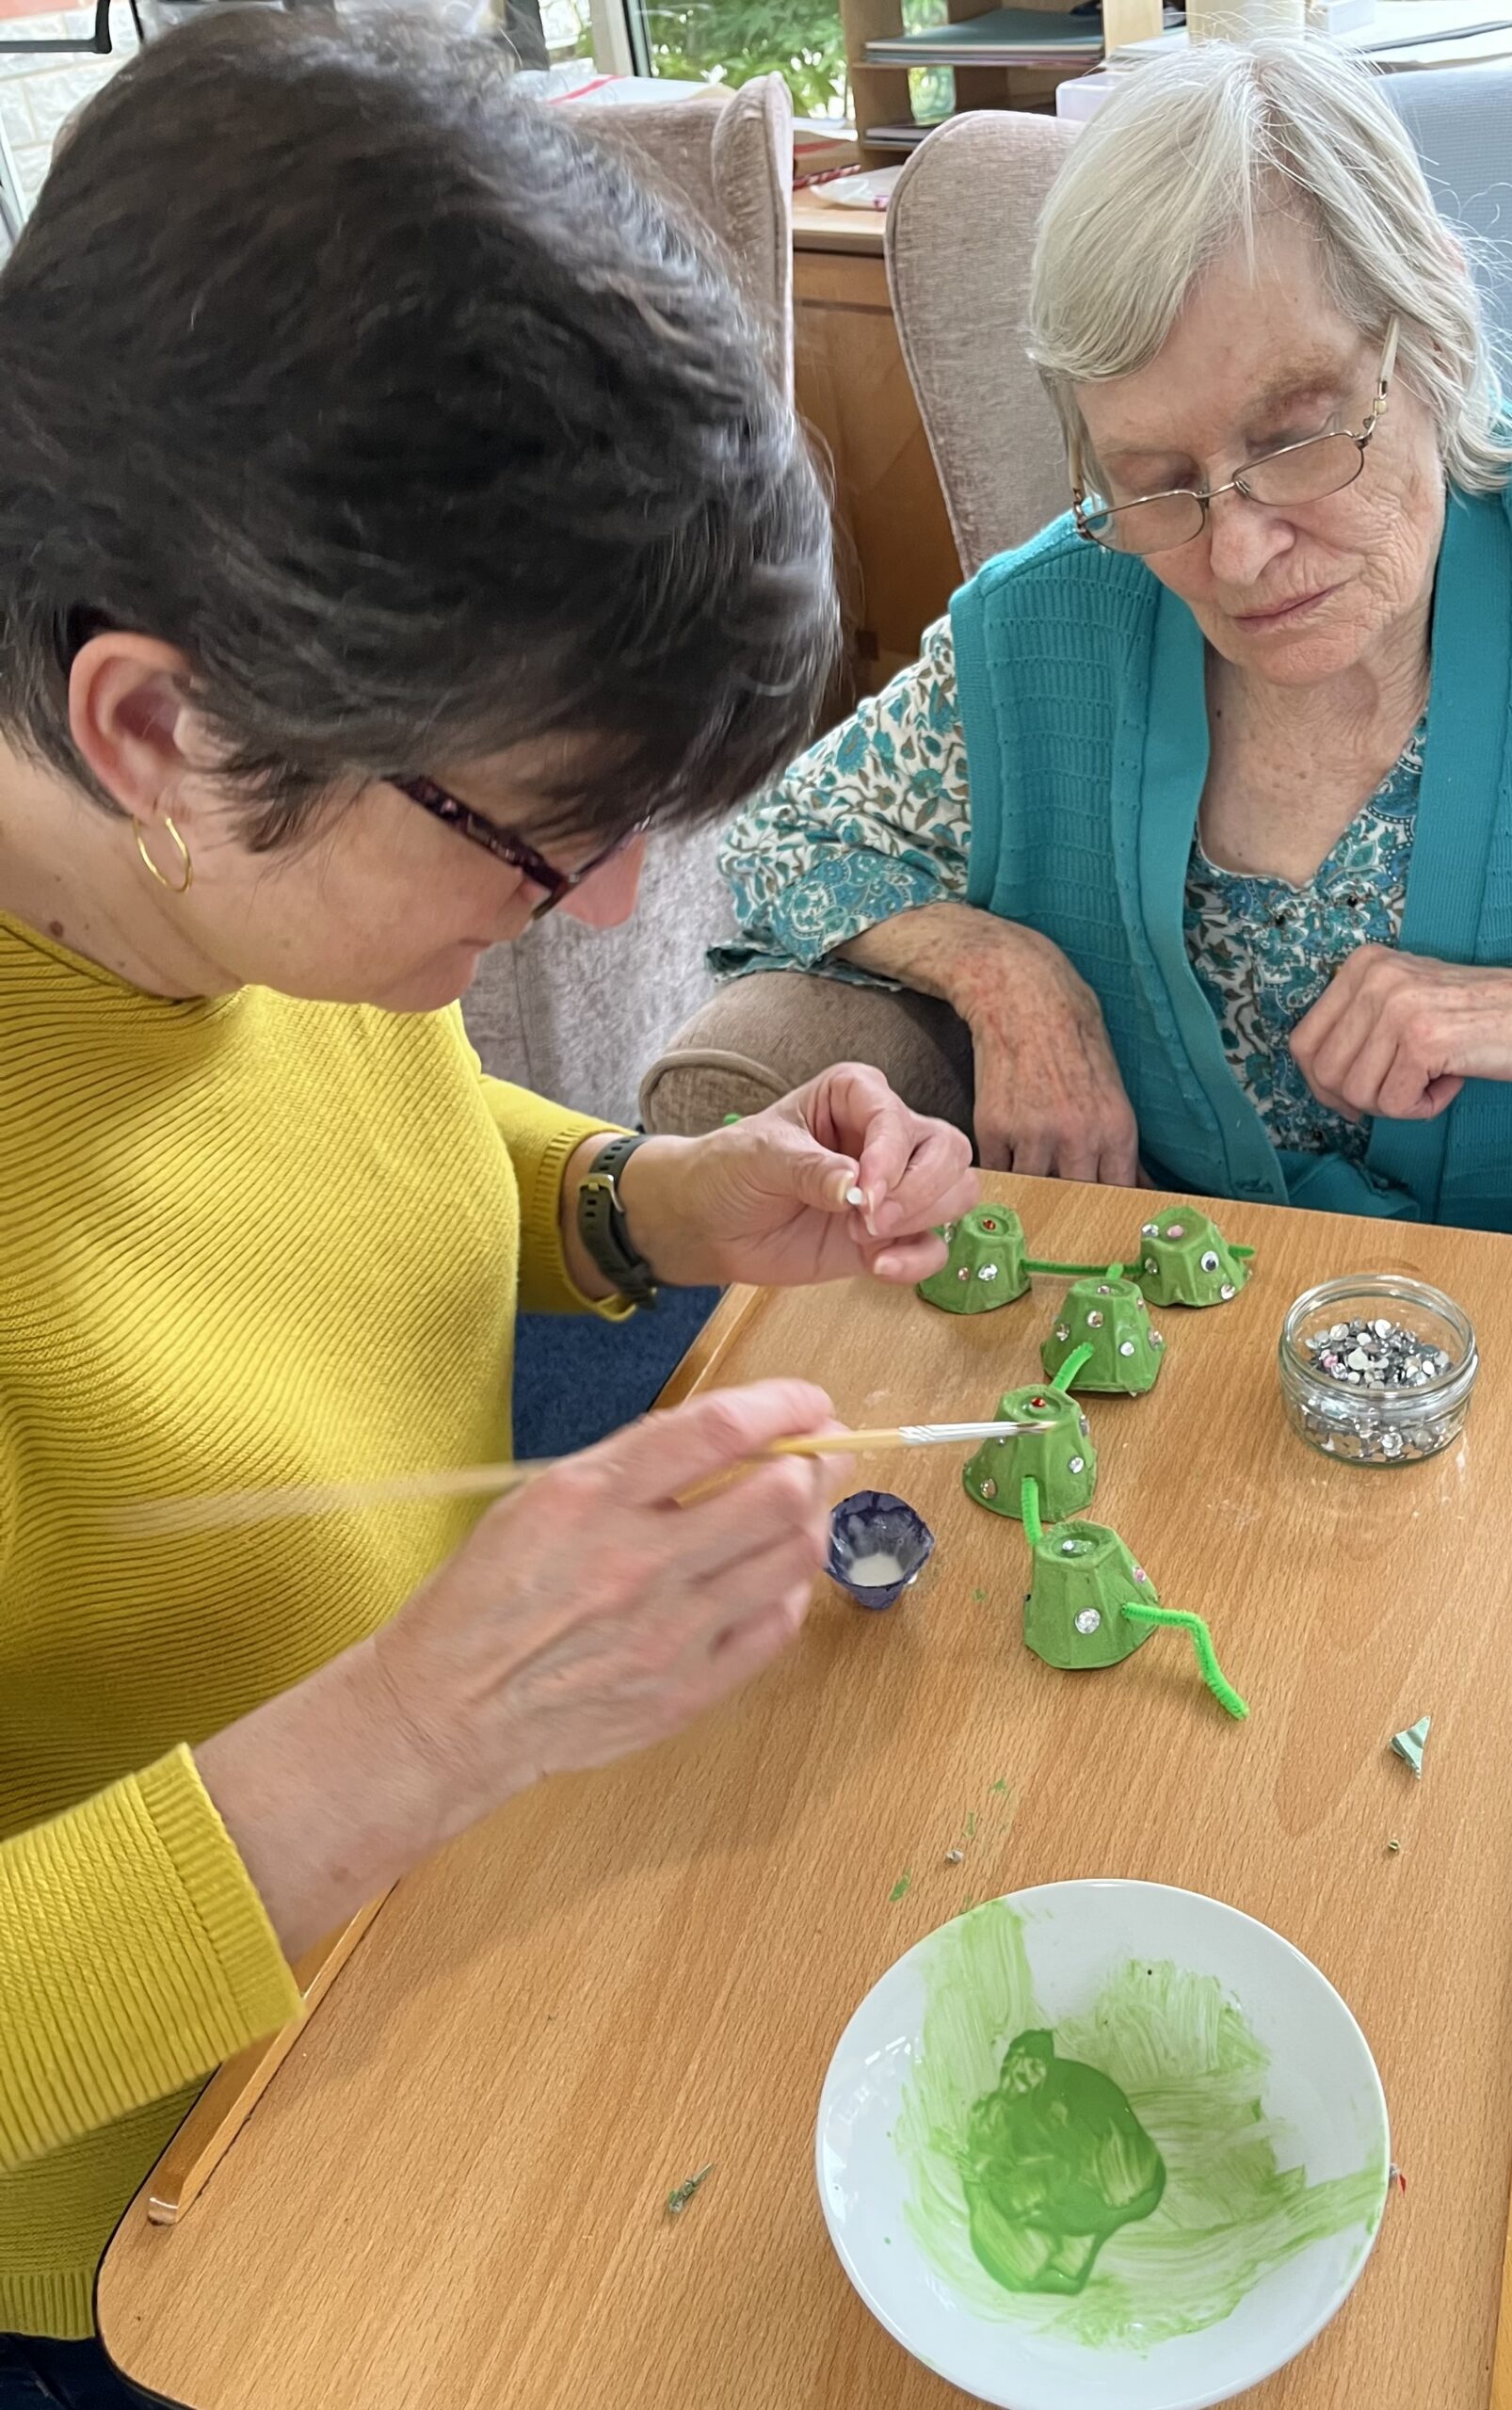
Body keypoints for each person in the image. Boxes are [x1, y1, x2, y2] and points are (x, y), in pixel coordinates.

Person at [0, 17, 974, 2395]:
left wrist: (653, 1201)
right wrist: (418, 1731)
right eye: (545, 829)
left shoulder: (222, 887)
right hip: (157, 2217)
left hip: (440, 1901)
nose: (602, 905)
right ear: (148, 727)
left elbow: (358, 1179)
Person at [717, 44, 1512, 1873]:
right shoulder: (1050, 618)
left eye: (1297, 428)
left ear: (1426, 334)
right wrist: (1003, 972)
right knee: (863, 1604)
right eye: (1157, 476)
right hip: (1148, 1318)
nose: (1241, 544)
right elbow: (771, 849)